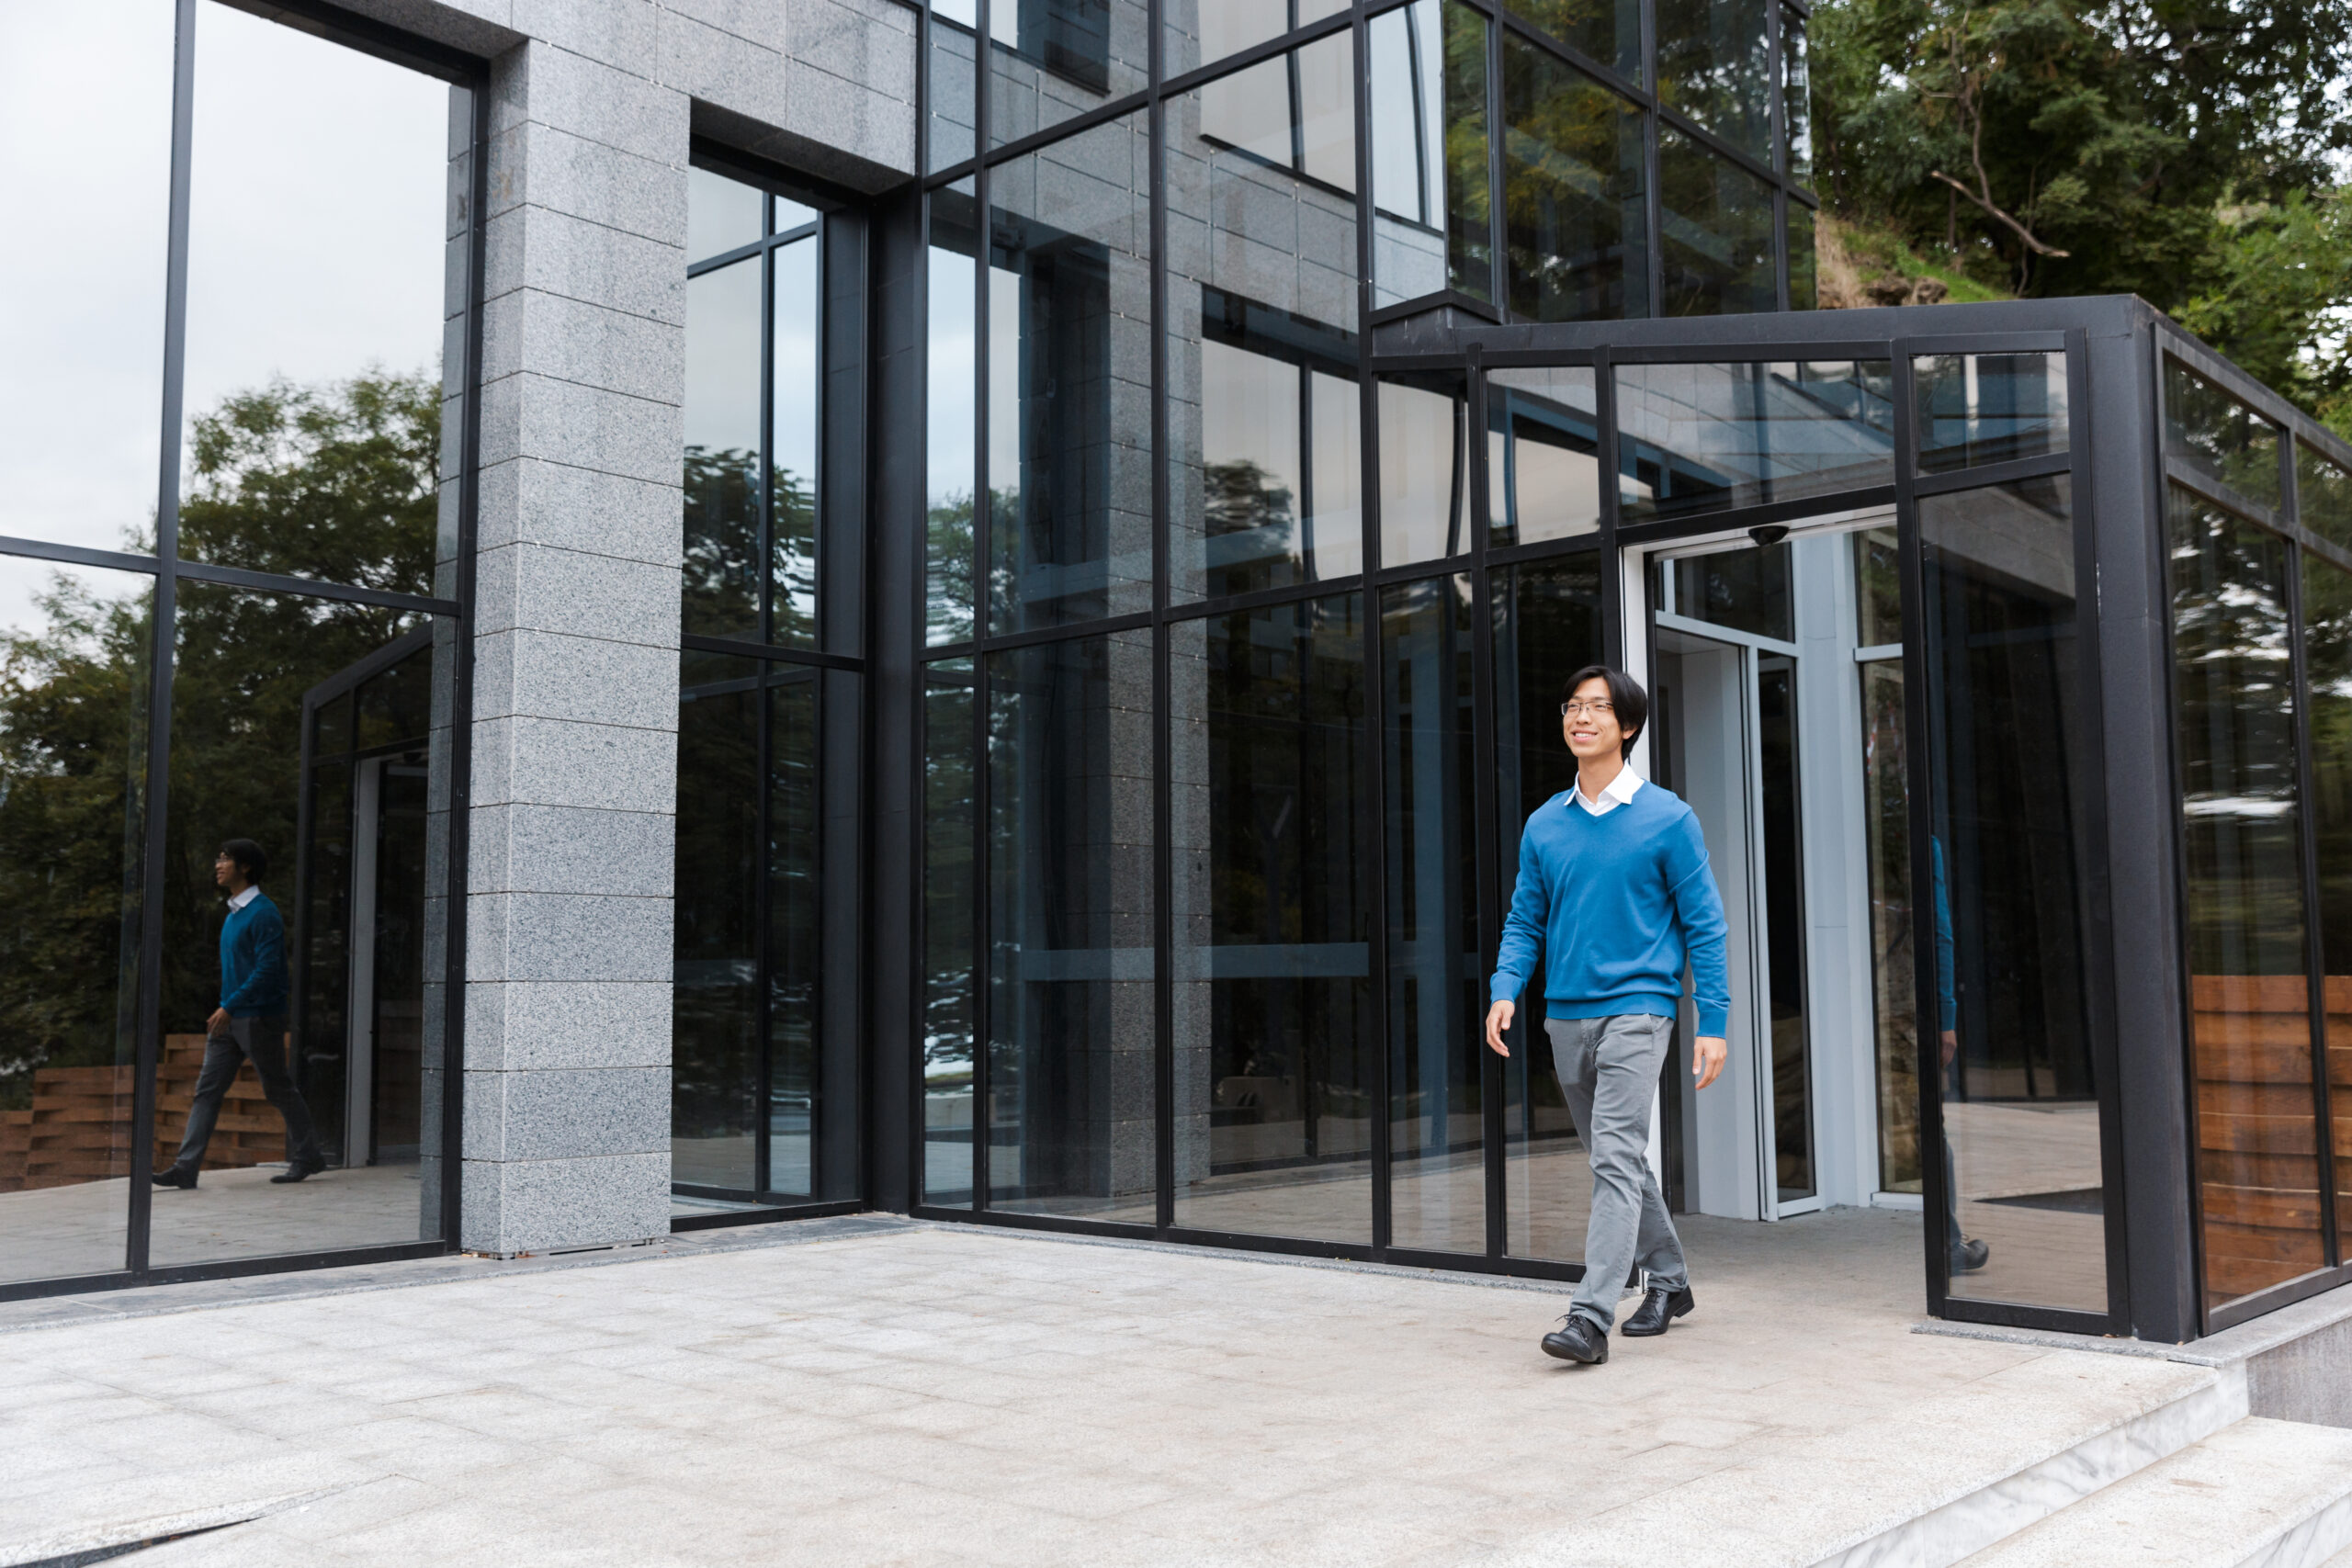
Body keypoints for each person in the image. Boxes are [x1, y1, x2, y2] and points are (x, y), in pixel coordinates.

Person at [1486, 666, 1730, 1367]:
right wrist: (1507, 987)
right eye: (1572, 705)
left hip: (1640, 1010)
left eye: (1597, 707)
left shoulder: (1668, 818)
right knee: (1611, 1157)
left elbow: (1705, 926)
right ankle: (1673, 1281)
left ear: (1626, 726)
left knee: (1616, 1156)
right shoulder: (1545, 824)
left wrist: (1711, 1019)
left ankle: (1589, 1316)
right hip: (1565, 1015)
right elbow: (1525, 918)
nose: (1580, 716)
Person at [153, 839, 326, 1190]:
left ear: (245, 867)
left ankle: (308, 1156)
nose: (218, 865)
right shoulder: (233, 915)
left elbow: (268, 971)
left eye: (225, 859)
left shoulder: (264, 913)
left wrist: (229, 1006)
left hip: (258, 1017)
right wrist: (227, 1008)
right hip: (229, 1020)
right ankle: (186, 1168)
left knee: (277, 1088)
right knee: (207, 1092)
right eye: (218, 858)